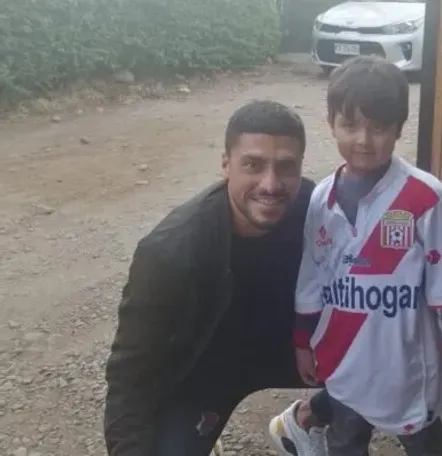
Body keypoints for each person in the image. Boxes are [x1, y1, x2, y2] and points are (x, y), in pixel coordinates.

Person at [270, 56, 442, 456]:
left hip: (405, 362)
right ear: (331, 123)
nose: (363, 140)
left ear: (399, 129)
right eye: (350, 125)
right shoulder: (321, 198)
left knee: (424, 443)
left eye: (378, 127)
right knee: (346, 440)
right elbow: (312, 278)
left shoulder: (425, 198)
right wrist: (302, 340)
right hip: (344, 357)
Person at [103, 99, 330, 456]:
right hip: (206, 369)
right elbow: (130, 375)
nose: (271, 184)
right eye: (253, 165)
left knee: (383, 363)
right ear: (226, 165)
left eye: (285, 167)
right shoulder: (171, 253)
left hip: (290, 349)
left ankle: (306, 421)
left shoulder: (314, 211)